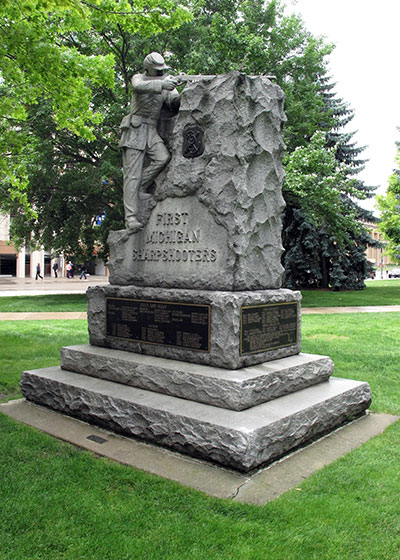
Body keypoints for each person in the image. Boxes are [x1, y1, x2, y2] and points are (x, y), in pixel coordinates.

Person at [119, 52, 181, 230]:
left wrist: (188, 93)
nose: (161, 73)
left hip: (151, 129)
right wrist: (163, 84)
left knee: (162, 158)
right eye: (157, 70)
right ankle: (130, 217)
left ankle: (140, 187)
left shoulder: (167, 82)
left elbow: (173, 102)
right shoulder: (139, 78)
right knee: (131, 175)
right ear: (148, 68)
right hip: (135, 129)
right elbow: (138, 87)